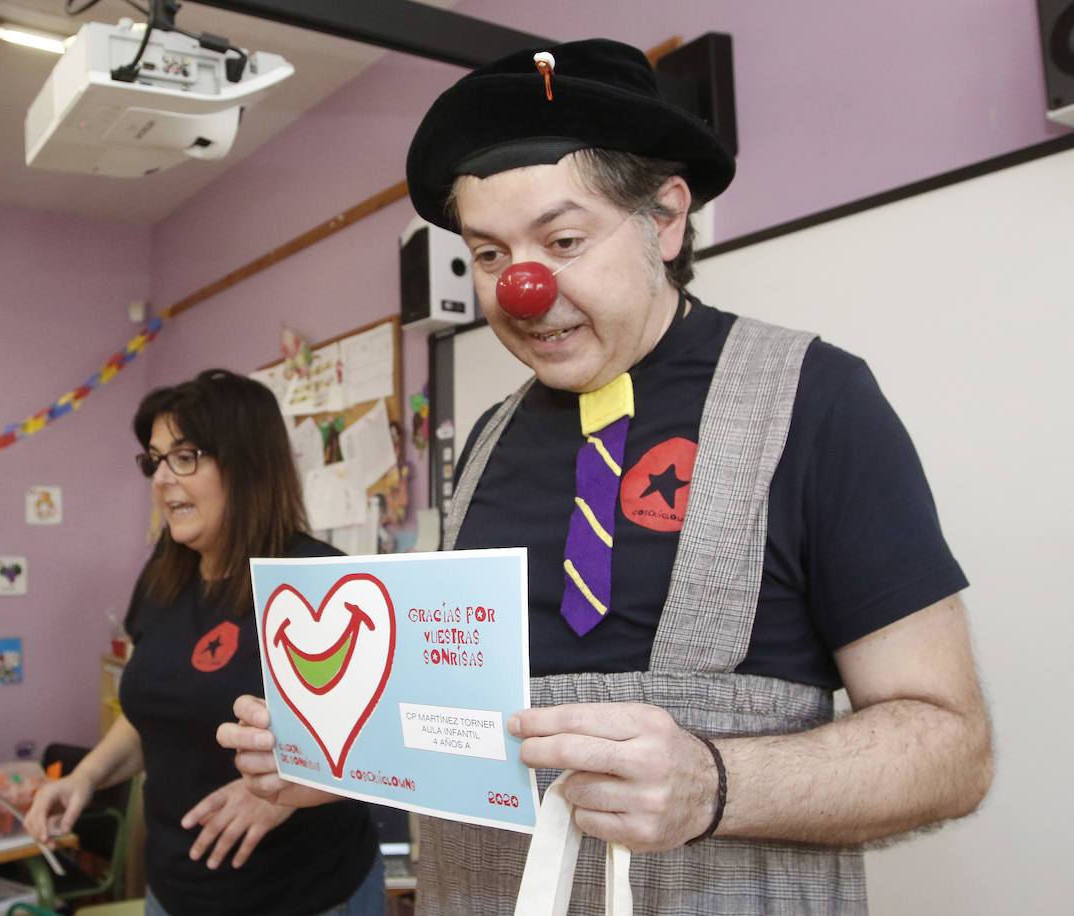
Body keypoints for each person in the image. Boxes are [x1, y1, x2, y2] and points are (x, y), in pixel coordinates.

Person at [218, 39, 992, 914]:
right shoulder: (483, 445)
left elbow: (950, 746)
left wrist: (716, 782)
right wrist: (348, 756)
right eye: (489, 256)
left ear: (665, 217)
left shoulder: (817, 401)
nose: (524, 289)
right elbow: (478, 738)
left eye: (565, 239)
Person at [24, 369, 383, 916]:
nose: (162, 478)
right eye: (155, 459)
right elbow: (154, 714)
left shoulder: (320, 580)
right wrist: (85, 778)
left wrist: (281, 787)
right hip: (173, 894)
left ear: (247, 465)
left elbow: (379, 739)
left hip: (303, 896)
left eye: (185, 456)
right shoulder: (165, 576)